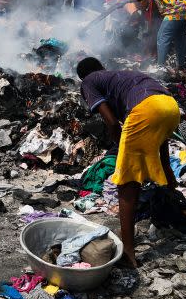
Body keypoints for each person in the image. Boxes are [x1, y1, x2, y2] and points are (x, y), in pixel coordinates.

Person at [77, 57, 180, 267]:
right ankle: (176, 209)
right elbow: (157, 121)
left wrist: (119, 145)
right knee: (158, 171)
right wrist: (166, 165)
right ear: (101, 67)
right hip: (170, 107)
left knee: (127, 181)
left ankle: (129, 252)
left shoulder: (88, 81)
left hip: (146, 109)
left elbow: (112, 122)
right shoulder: (120, 76)